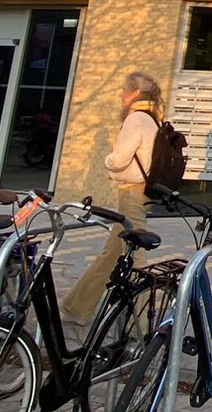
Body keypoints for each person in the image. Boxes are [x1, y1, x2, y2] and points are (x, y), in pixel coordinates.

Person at [62, 71, 162, 324]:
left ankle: (141, 321)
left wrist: (107, 160)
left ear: (135, 92)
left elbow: (119, 159)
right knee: (112, 253)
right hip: (141, 191)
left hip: (131, 192)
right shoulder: (153, 118)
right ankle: (77, 307)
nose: (120, 94)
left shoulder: (135, 119)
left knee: (136, 254)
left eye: (124, 89)